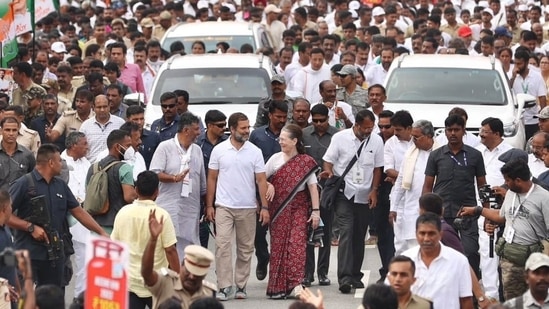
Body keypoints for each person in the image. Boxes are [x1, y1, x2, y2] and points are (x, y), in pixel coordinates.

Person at [8, 144, 108, 289]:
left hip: (54, 254)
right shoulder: (24, 183)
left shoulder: (60, 185)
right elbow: (3, 215)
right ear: (51, 162)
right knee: (25, 300)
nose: (62, 164)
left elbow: (78, 212)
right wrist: (30, 227)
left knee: (53, 298)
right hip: (29, 253)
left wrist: (101, 232)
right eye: (60, 160)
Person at [460, 158, 549, 300]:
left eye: (508, 180)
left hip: (534, 260)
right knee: (512, 299)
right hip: (510, 259)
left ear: (518, 180)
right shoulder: (511, 194)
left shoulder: (544, 197)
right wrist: (478, 210)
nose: (505, 184)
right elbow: (501, 217)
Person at [205, 112, 270, 301]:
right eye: (243, 128)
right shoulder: (219, 150)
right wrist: (209, 205)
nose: (247, 131)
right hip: (223, 206)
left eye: (248, 127)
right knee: (222, 245)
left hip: (248, 207)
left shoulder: (255, 152)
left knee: (245, 248)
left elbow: (261, 180)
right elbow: (212, 178)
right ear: (232, 129)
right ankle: (225, 286)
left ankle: (241, 285)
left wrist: (264, 207)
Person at [321, 109, 384, 293]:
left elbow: (378, 169)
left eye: (371, 128)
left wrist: (374, 191)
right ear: (355, 125)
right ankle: (345, 278)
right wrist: (329, 173)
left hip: (364, 195)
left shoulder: (376, 141)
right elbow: (328, 161)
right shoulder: (340, 138)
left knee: (359, 234)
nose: (368, 131)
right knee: (347, 231)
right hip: (344, 193)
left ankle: (356, 275)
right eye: (365, 127)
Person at [422, 114, 487, 277]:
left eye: (456, 130)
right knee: (442, 254)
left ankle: (472, 293)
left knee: (470, 252)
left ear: (463, 131)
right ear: (444, 132)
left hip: (467, 212)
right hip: (441, 213)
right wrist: (424, 212)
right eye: (449, 130)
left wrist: (487, 213)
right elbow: (428, 185)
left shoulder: (475, 155)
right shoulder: (435, 155)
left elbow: (482, 185)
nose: (452, 133)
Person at [264, 124, 320, 299]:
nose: (280, 142)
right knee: (279, 245)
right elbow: (260, 179)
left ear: (295, 141)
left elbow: (312, 188)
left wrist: (316, 211)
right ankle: (278, 286)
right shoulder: (275, 159)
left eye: (283, 139)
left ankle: (295, 284)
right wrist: (269, 184)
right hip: (278, 208)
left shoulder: (305, 162)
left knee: (297, 245)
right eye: (279, 139)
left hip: (299, 207)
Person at [112, 171, 179, 309]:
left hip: (130, 283)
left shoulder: (122, 213)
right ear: (157, 192)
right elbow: (171, 251)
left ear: (136, 190)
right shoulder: (162, 216)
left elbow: (115, 249)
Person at [150, 112, 206, 260]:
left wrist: (207, 205)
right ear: (186, 130)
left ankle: (184, 280)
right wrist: (174, 178)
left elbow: (202, 182)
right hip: (168, 206)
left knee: (189, 246)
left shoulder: (197, 150)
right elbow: (155, 173)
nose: (199, 133)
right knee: (167, 244)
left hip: (191, 207)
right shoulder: (165, 147)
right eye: (196, 129)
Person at [142, 213, 216, 309]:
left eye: (197, 275)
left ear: (204, 276)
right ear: (182, 267)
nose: (192, 277)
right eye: (188, 272)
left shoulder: (209, 293)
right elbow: (146, 274)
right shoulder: (165, 282)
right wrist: (153, 240)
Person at [401, 213, 474, 309]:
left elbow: (465, 300)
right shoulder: (405, 260)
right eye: (422, 233)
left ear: (440, 234)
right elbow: (391, 295)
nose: (426, 239)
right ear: (416, 234)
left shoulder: (459, 261)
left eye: (431, 234)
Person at [250, 100, 288, 280]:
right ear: (270, 115)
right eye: (278, 116)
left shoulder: (290, 134)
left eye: (284, 117)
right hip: (261, 189)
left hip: (284, 192)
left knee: (281, 234)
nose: (281, 120)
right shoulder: (257, 135)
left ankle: (278, 269)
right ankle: (263, 257)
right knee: (258, 232)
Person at [476, 117, 513, 302]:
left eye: (485, 131)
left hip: (499, 209)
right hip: (476, 206)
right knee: (482, 251)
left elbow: (518, 179)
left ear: (497, 134)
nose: (481, 134)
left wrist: (504, 191)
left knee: (492, 251)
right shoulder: (476, 151)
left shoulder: (511, 153)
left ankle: (495, 295)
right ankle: (486, 293)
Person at [390, 120, 440, 255]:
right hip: (412, 209)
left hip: (434, 210)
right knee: (411, 250)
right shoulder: (410, 153)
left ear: (429, 136)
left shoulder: (440, 154)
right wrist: (393, 208)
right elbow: (401, 180)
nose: (413, 140)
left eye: (416, 137)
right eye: (412, 136)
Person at [302, 104, 337, 287]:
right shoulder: (305, 134)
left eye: (321, 121)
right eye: (314, 121)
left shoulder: (336, 135)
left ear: (327, 119)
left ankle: (323, 273)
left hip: (328, 190)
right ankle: (307, 274)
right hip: (307, 191)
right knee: (308, 231)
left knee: (326, 232)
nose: (318, 124)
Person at [85, 130, 136, 235]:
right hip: (118, 227)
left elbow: (88, 193)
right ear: (117, 147)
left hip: (96, 227)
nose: (131, 149)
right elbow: (129, 197)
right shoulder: (124, 168)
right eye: (128, 145)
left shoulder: (93, 168)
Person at [60, 132, 90, 297]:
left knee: (83, 263)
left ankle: (80, 299)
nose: (87, 147)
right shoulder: (59, 162)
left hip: (82, 219)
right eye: (84, 144)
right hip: (63, 219)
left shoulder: (87, 163)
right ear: (73, 146)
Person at [195, 110, 228, 248]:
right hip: (200, 194)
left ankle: (221, 270)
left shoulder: (228, 144)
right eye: (220, 125)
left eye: (225, 125)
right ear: (209, 125)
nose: (224, 128)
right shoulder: (197, 143)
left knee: (222, 239)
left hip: (222, 194)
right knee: (201, 236)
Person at [79, 95, 125, 163]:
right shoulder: (85, 126)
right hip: (92, 167)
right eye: (99, 107)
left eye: (105, 106)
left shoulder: (120, 123)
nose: (102, 110)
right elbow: (81, 148)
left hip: (115, 166)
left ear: (109, 106)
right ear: (93, 108)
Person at [0, 117, 35, 191]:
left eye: (14, 130)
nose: (11, 133)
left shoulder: (27, 155)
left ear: (18, 131)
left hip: (20, 199)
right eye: (7, 130)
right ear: (1, 131)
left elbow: (33, 179)